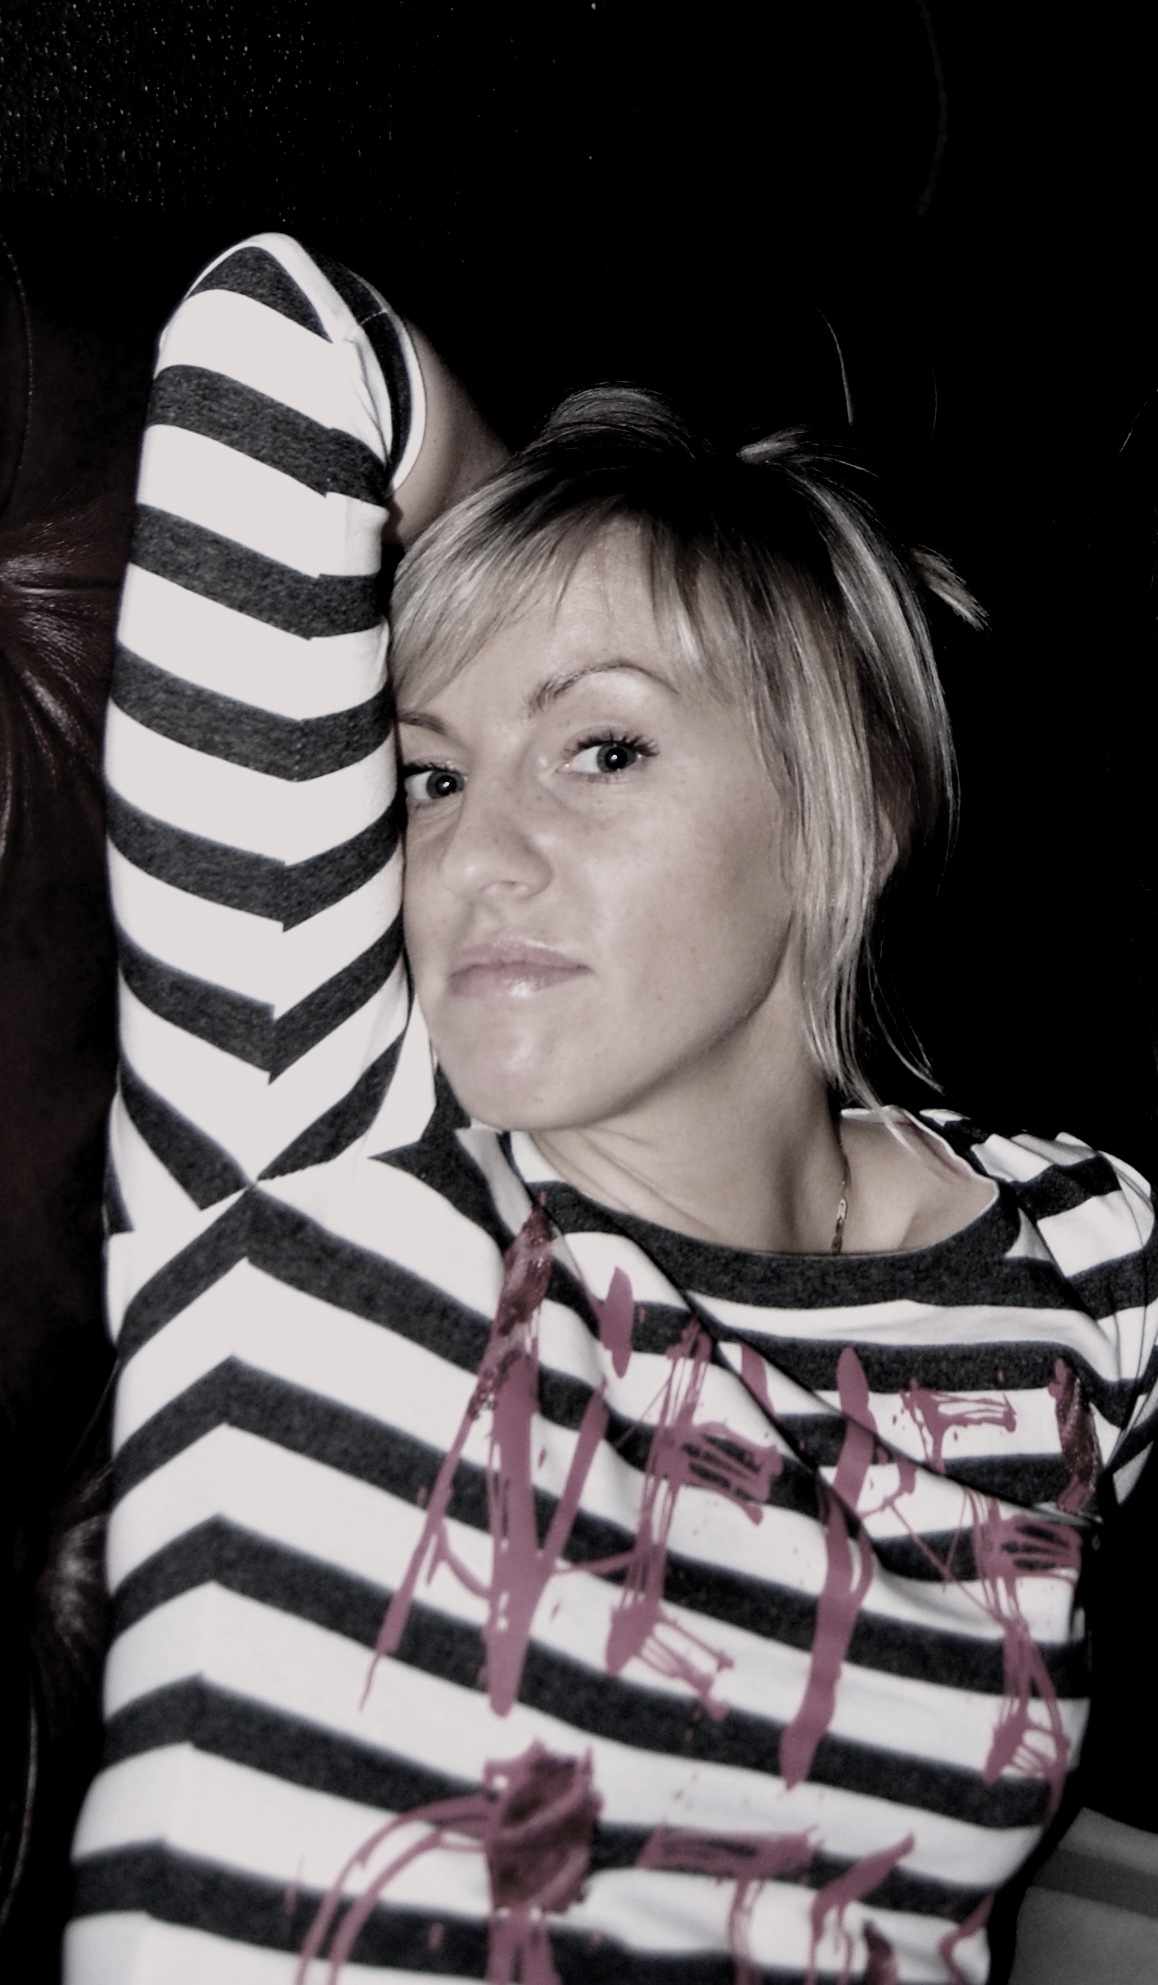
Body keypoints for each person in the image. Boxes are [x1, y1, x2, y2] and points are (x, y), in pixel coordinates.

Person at [66, 234, 1158, 1985]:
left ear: (843, 811)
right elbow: (276, 334)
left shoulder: (1083, 1260)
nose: (477, 856)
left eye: (604, 749)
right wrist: (545, 558)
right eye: (429, 774)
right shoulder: (321, 1141)